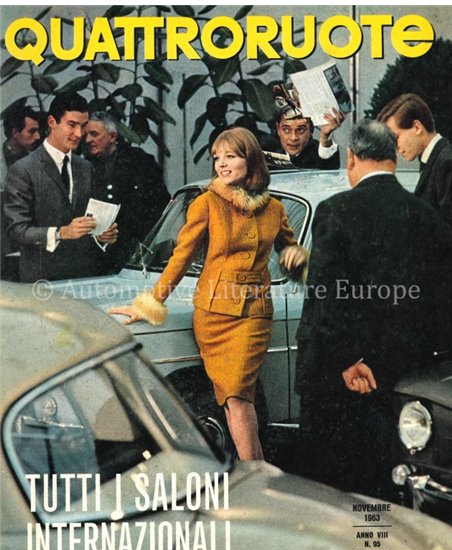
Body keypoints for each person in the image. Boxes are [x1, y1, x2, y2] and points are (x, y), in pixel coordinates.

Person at [110, 127, 307, 461]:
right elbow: (181, 258)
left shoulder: (274, 208)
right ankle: (259, 472)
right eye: (217, 158)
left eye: (230, 156)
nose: (222, 164)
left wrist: (308, 266)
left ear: (250, 159)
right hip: (214, 316)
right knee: (234, 401)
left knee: (238, 397)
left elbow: (291, 253)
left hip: (254, 316)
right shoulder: (206, 204)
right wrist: (151, 302)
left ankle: (255, 475)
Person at [294, 119, 452, 499]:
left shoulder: (335, 210)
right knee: (385, 490)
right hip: (400, 379)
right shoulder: (426, 216)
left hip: (336, 381)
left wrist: (348, 359)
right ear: (393, 156)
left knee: (333, 493)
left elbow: (326, 297)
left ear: (350, 157)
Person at [4, 92, 118, 283]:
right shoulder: (23, 170)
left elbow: (87, 225)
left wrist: (101, 235)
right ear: (51, 122)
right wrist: (61, 233)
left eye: (83, 126)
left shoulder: (85, 167)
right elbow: (17, 230)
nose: (79, 134)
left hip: (82, 280)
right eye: (71, 125)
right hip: (40, 283)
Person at [85, 111, 171, 273]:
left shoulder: (140, 162)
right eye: (86, 135)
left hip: (137, 254)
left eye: (94, 134)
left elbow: (161, 205)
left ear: (112, 136)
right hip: (98, 257)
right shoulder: (84, 167)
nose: (88, 140)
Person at [377, 93, 452, 229]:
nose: (395, 147)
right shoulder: (437, 160)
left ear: (417, 127)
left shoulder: (446, 163)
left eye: (395, 138)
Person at [1, 106, 42, 280]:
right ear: (15, 132)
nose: (38, 137)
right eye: (31, 131)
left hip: (29, 248)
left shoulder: (38, 163)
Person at [264, 108, 345, 170]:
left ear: (311, 130)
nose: (293, 138)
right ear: (278, 129)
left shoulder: (316, 151)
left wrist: (325, 137)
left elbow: (329, 169)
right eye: (286, 130)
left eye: (300, 130)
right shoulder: (265, 148)